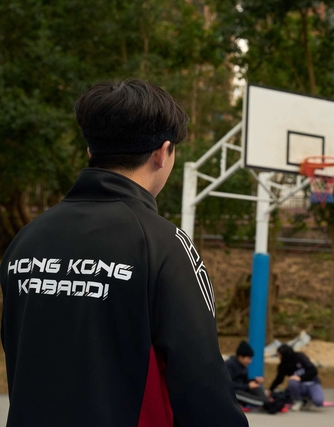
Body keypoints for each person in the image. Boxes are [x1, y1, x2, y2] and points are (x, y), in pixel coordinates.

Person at [0, 79, 248, 427]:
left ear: (91, 150)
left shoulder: (26, 241)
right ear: (162, 153)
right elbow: (202, 384)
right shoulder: (164, 244)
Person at [268, 344, 324, 412]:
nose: (278, 357)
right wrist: (270, 390)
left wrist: (300, 378)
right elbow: (279, 379)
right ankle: (298, 400)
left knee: (318, 402)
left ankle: (308, 399)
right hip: (299, 385)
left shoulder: (300, 357)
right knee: (292, 381)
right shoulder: (283, 365)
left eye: (279, 355)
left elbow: (313, 370)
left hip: (312, 383)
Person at [225, 340, 272, 409]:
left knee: (257, 390)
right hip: (232, 392)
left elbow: (243, 381)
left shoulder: (243, 366)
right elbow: (228, 384)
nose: (250, 361)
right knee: (241, 394)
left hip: (242, 389)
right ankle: (267, 404)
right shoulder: (229, 365)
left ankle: (267, 402)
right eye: (248, 359)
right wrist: (247, 386)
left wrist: (255, 380)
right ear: (240, 357)